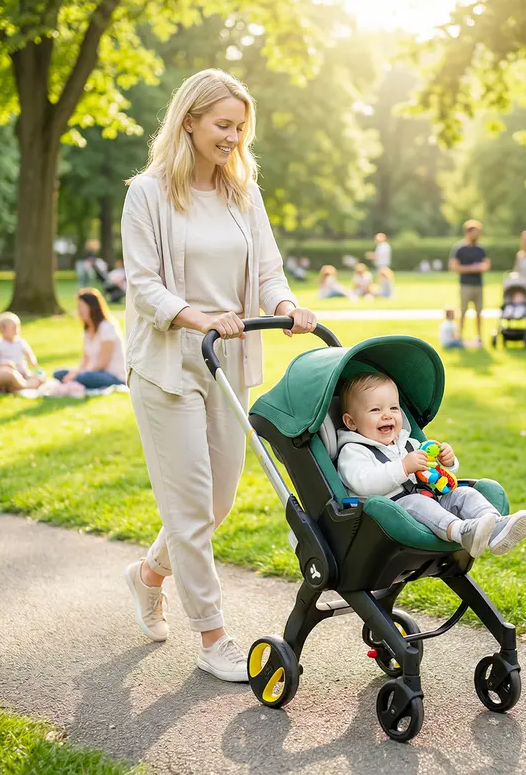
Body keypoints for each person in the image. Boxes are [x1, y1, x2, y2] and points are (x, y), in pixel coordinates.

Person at [120, 68, 317, 682]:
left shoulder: (243, 192)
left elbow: (269, 270)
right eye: (222, 125)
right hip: (167, 366)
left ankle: (149, 572)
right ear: (190, 121)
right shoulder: (147, 193)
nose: (233, 137)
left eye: (240, 127)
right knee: (187, 509)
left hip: (227, 362)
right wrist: (200, 317)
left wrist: (284, 306)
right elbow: (144, 285)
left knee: (219, 499)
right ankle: (213, 638)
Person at [336, 372, 526, 557]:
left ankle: (495, 526)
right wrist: (403, 468)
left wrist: (447, 463)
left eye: (394, 408)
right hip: (390, 517)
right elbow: (364, 483)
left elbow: (433, 474)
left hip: (431, 500)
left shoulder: (409, 444)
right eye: (375, 410)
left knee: (463, 494)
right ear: (351, 422)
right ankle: (462, 531)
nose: (387, 415)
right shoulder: (353, 451)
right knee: (416, 502)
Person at [54, 288, 126, 389]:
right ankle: (76, 380)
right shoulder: (88, 330)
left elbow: (102, 364)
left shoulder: (107, 327)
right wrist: (75, 372)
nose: (78, 311)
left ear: (92, 307)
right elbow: (85, 360)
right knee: (59, 373)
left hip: (112, 375)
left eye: (81, 307)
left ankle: (77, 381)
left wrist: (79, 374)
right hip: (94, 373)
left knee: (84, 377)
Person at [449, 219, 491, 348]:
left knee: (479, 313)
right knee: (463, 312)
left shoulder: (480, 249)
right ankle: (460, 337)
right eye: (476, 232)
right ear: (468, 232)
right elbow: (454, 267)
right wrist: (472, 268)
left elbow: (486, 265)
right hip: (465, 285)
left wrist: (478, 268)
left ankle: (479, 338)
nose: (478, 235)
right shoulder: (459, 249)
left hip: (478, 285)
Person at [0, 312, 40, 379]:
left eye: (17, 327)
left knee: (35, 376)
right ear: (2, 330)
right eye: (14, 328)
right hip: (6, 371)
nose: (17, 330)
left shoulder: (20, 342)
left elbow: (28, 352)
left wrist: (32, 361)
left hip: (21, 370)